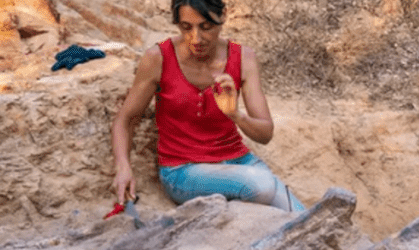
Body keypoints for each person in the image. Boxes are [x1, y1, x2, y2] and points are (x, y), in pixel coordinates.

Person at [111, 0, 304, 212]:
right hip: (183, 172)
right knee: (263, 185)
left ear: (223, 17)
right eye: (186, 27)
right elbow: (125, 119)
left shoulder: (244, 58)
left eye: (206, 27)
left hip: (240, 163)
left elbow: (265, 134)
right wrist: (123, 167)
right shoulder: (158, 58)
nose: (196, 38)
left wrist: (235, 114)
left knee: (304, 218)